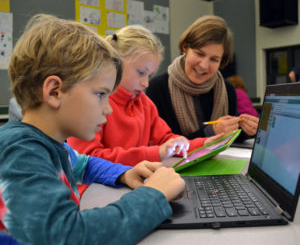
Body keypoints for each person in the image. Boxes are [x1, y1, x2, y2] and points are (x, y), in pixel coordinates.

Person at [0, 14, 186, 245]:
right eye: (100, 94)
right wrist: (153, 196)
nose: (108, 109)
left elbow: (83, 163)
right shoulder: (22, 152)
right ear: (54, 92)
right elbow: (67, 237)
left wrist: (124, 173)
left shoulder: (51, 143)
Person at [67, 25, 221, 194]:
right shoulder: (94, 103)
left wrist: (201, 145)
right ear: (116, 64)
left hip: (132, 183)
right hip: (95, 189)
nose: (146, 83)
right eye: (141, 72)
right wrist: (155, 153)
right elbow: (86, 160)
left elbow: (165, 139)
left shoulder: (144, 103)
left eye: (150, 75)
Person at [146, 15, 259, 141]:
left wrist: (248, 131)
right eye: (199, 54)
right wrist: (211, 132)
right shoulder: (158, 88)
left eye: (214, 59)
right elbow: (162, 145)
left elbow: (230, 137)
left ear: (222, 61)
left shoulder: (228, 90)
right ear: (185, 48)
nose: (204, 66)